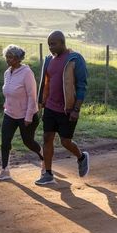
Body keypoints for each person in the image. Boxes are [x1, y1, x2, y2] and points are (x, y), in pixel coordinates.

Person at [35, 30, 89, 185]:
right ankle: (48, 173)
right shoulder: (49, 60)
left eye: (53, 44)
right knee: (47, 138)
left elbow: (81, 86)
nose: (51, 47)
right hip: (50, 108)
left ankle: (81, 157)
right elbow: (45, 83)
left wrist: (76, 109)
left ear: (62, 42)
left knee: (65, 141)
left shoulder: (75, 59)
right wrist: (42, 102)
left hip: (67, 110)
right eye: (49, 45)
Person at [0, 45, 44, 181]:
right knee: (5, 142)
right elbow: (8, 92)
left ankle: (44, 157)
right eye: (7, 57)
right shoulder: (7, 73)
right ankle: (5, 171)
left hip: (26, 116)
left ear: (18, 59)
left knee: (28, 142)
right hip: (10, 114)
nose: (7, 60)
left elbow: (32, 96)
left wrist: (28, 116)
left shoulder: (27, 73)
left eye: (10, 57)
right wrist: (6, 105)